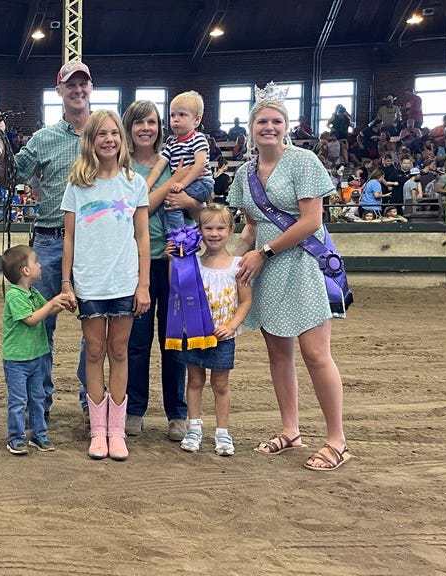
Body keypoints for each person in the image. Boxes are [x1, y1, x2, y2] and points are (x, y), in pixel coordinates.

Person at [229, 84, 351, 472]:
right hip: (265, 270)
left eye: (276, 121)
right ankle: (291, 429)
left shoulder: (303, 162)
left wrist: (263, 253)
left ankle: (337, 439)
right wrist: (227, 260)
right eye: (262, 120)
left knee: (316, 354)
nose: (269, 126)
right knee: (278, 354)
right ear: (251, 128)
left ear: (286, 126)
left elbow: (312, 221)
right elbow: (250, 226)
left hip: (299, 265)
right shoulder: (244, 173)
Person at [0, 60, 93, 422]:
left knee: (96, 328)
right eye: (71, 85)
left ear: (90, 89)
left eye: (83, 84)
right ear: (60, 91)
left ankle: (90, 400)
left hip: (95, 243)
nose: (78, 90)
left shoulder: (107, 133)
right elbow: (10, 174)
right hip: (50, 239)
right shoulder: (45, 139)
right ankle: (38, 406)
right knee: (40, 329)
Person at [60, 109, 151, 461]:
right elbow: (69, 237)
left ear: (121, 139)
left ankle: (117, 429)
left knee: (119, 351)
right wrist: (67, 282)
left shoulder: (134, 183)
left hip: (124, 281)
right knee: (94, 353)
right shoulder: (78, 184)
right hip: (90, 282)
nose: (109, 139)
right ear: (91, 141)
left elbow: (142, 237)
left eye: (114, 133)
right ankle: (98, 430)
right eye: (102, 134)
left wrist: (143, 284)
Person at [174, 205, 252, 456]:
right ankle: (194, 427)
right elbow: (177, 289)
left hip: (223, 336)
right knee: (194, 380)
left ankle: (222, 432)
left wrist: (231, 325)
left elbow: (246, 301)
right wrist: (174, 257)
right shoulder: (191, 263)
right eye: (208, 228)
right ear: (199, 231)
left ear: (230, 231)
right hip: (195, 335)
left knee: (221, 384)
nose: (214, 233)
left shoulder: (238, 266)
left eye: (220, 228)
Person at [0, 245, 73, 455]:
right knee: (19, 400)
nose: (40, 265)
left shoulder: (32, 293)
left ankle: (38, 434)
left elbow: (48, 310)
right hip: (17, 360)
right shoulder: (14, 296)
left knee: (37, 397)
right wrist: (52, 304)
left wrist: (63, 302)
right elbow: (32, 319)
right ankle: (16, 437)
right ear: (25, 270)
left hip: (36, 357)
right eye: (36, 262)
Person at [145, 91, 213, 234]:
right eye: (172, 115)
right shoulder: (171, 142)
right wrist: (147, 185)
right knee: (170, 204)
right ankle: (178, 234)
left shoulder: (198, 138)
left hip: (201, 183)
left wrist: (182, 183)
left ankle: (179, 238)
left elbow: (199, 165)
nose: (175, 119)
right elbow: (159, 166)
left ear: (196, 120)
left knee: (171, 201)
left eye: (182, 115)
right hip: (186, 183)